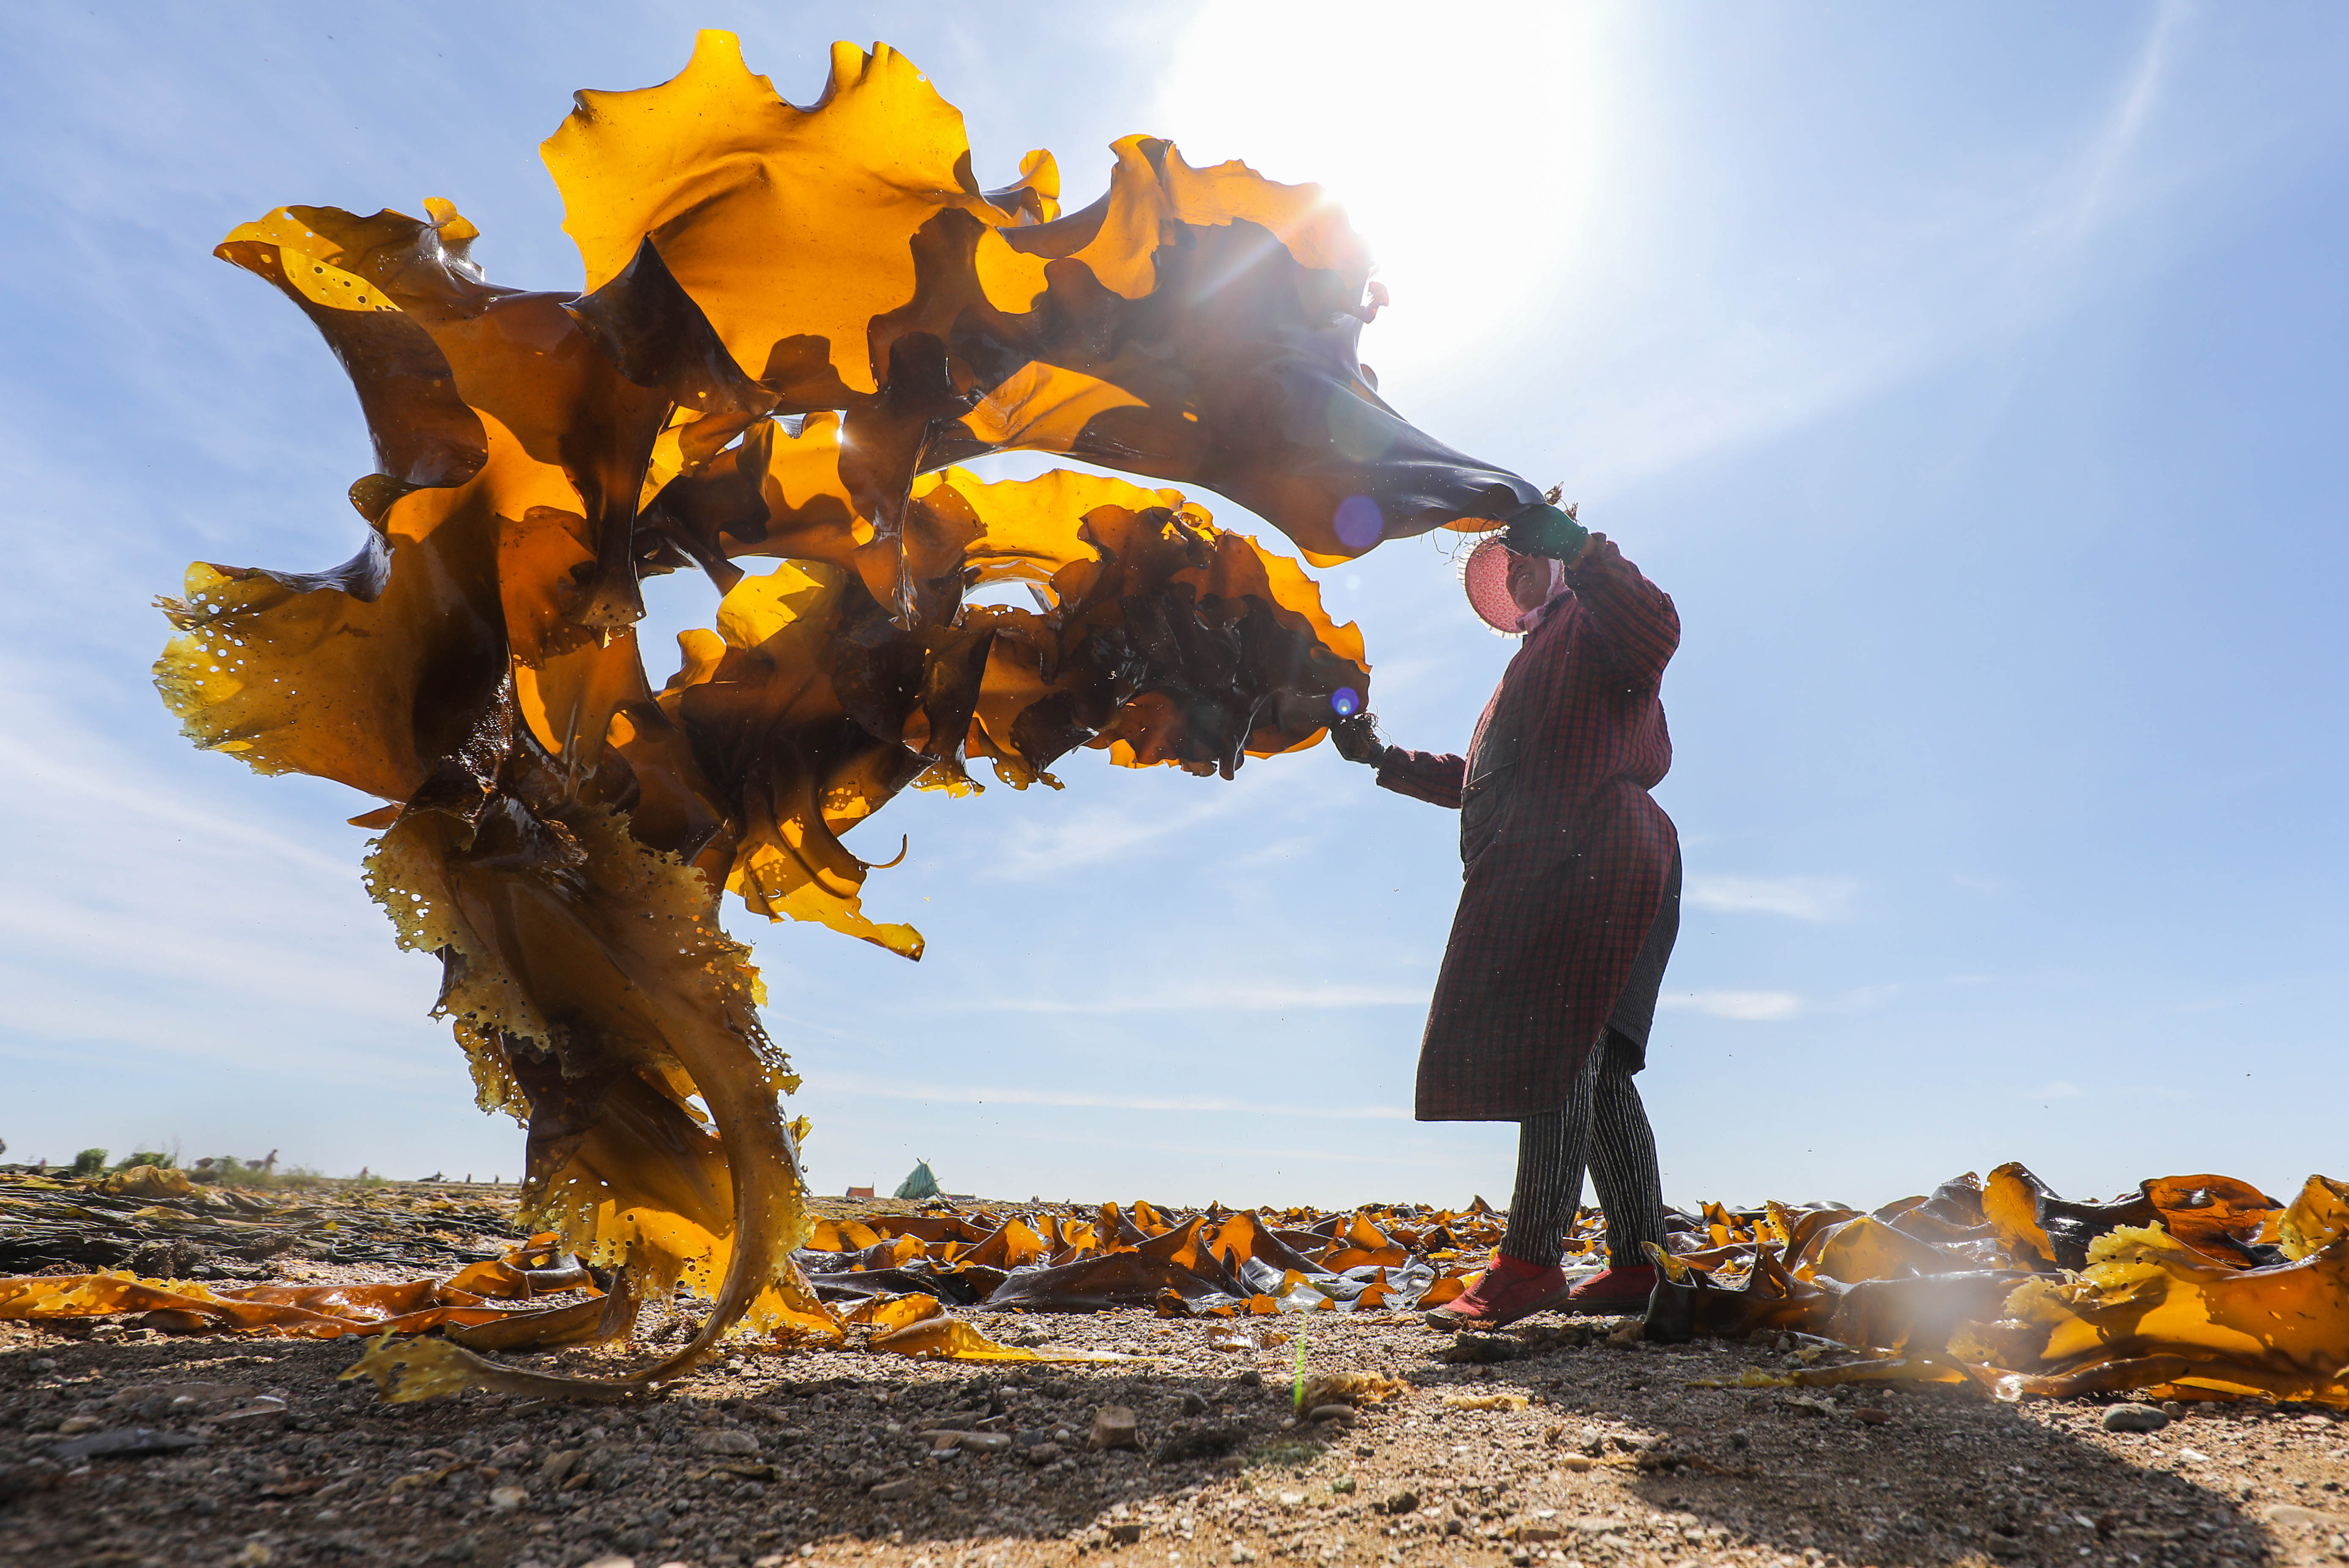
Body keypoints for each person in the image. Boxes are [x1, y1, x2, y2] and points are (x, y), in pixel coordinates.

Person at [1331, 502, 1682, 1327]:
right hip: (1570, 858)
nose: (1517, 570)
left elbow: (1657, 626)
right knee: (1594, 1067)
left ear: (1554, 564)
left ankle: (1528, 1262)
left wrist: (1585, 550)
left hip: (1600, 847)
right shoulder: (1526, 669)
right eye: (1508, 566)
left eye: (1528, 557)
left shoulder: (1596, 625)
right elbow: (1485, 781)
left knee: (1557, 1041)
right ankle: (1640, 1263)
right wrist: (1383, 758)